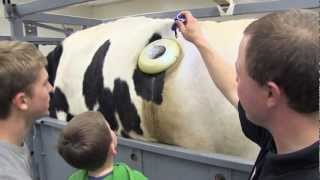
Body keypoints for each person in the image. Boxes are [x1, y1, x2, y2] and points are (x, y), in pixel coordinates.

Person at [176, 9, 319, 180]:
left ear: (270, 94)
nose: (235, 80)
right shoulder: (282, 132)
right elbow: (231, 87)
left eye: (239, 73)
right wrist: (198, 40)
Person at [0, 40, 53, 179]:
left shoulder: (13, 146)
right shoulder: (8, 175)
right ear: (22, 101)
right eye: (45, 83)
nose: (51, 88)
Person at [57, 111, 148, 180]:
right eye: (110, 129)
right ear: (112, 148)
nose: (113, 131)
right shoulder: (133, 177)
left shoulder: (74, 178)